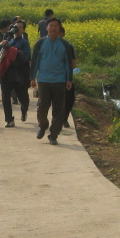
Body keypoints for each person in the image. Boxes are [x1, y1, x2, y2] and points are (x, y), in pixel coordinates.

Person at [29, 17, 75, 145]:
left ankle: (54, 135)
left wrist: (69, 79)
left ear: (59, 28)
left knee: (58, 110)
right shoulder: (40, 43)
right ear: (46, 28)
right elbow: (35, 61)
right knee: (42, 107)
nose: (54, 28)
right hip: (43, 80)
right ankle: (43, 125)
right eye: (51, 25)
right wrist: (33, 78)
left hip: (59, 81)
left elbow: (68, 64)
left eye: (56, 26)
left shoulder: (65, 45)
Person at [0, 20, 30, 128]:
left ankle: (24, 110)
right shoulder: (7, 40)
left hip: (19, 74)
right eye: (15, 27)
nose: (17, 29)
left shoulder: (24, 42)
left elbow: (25, 57)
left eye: (20, 27)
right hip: (6, 73)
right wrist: (1, 45)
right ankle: (9, 119)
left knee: (23, 97)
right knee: (5, 97)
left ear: (23, 30)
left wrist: (13, 50)